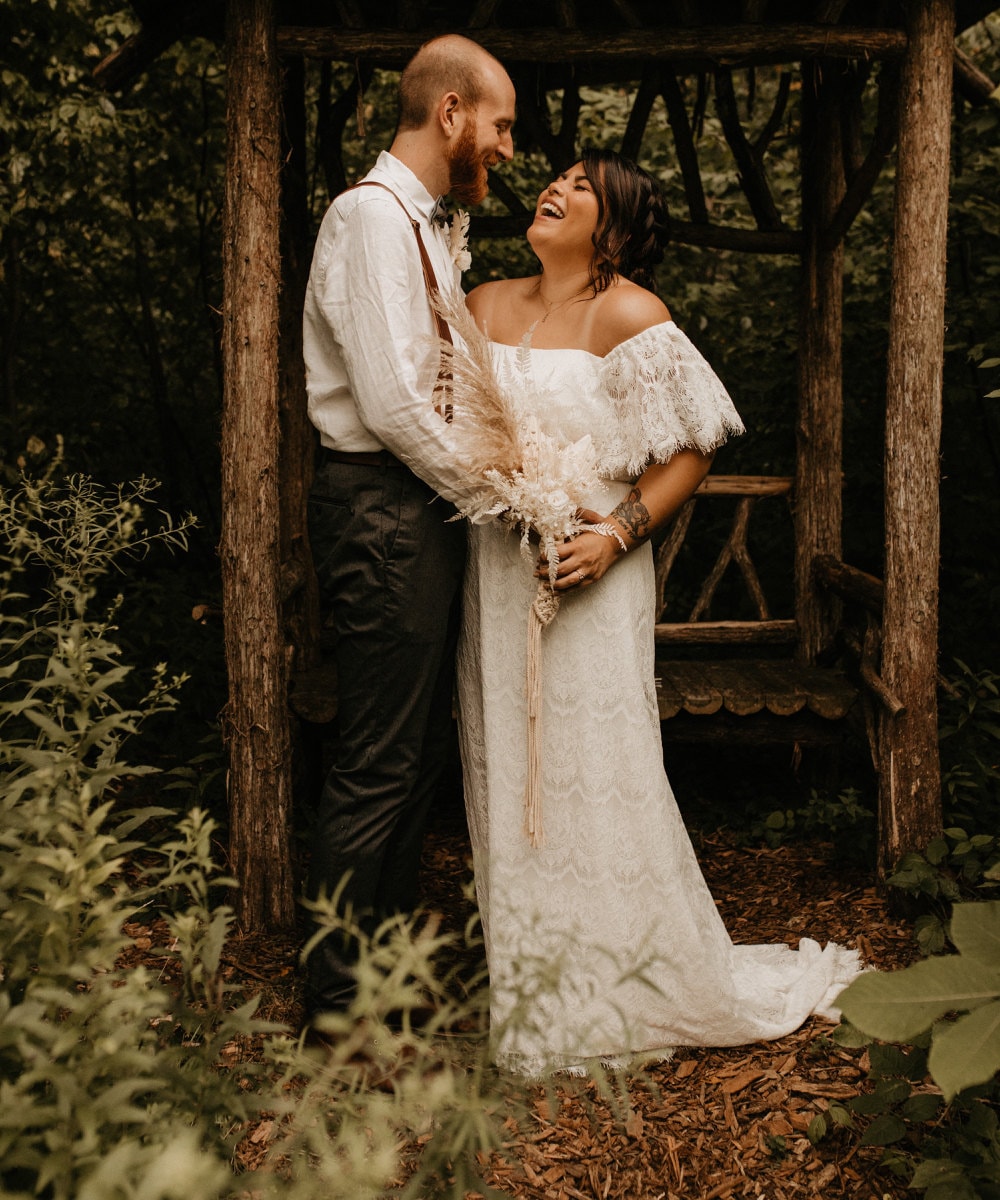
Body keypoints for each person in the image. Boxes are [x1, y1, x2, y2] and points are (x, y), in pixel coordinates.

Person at [456, 148, 862, 1076]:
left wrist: (616, 534)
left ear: (618, 220)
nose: (557, 188)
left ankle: (633, 977)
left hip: (594, 569)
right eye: (556, 177)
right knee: (510, 760)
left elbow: (691, 449)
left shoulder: (630, 313)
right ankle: (537, 991)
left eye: (584, 185)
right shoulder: (484, 304)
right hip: (499, 567)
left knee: (597, 763)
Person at [301, 34, 516, 1022]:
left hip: (415, 509)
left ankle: (381, 969)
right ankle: (340, 1004)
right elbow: (389, 404)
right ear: (450, 114)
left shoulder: (424, 225)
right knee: (379, 757)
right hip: (383, 507)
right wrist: (497, 496)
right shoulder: (370, 220)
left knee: (415, 751)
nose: (507, 148)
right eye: (501, 124)